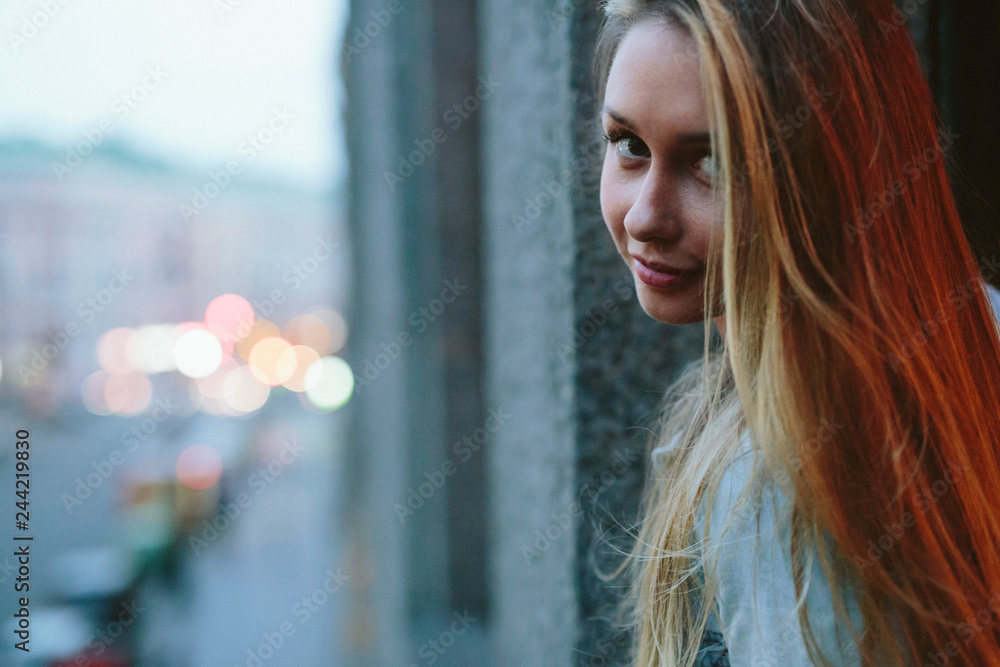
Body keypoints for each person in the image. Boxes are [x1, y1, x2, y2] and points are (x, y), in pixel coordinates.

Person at [592, 0, 1000, 665]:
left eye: (712, 162)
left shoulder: (784, 473)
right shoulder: (974, 331)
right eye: (630, 146)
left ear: (823, 170)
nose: (646, 216)